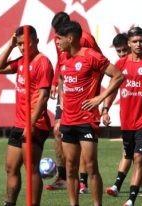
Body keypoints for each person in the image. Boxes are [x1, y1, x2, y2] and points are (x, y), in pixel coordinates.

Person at [55, 20, 124, 206]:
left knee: (91, 166)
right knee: (70, 168)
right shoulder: (63, 58)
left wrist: (99, 98)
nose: (57, 42)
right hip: (68, 120)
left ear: (70, 38)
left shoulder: (91, 56)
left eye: (59, 38)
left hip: (86, 120)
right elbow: (61, 77)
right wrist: (62, 98)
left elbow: (118, 75)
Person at [103, 26, 142, 206]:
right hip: (127, 122)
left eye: (141, 41)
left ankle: (130, 199)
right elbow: (113, 90)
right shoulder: (121, 65)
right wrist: (105, 109)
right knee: (140, 161)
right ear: (129, 43)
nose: (139, 44)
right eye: (135, 41)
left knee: (139, 158)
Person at [0, 25, 54, 206]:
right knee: (11, 168)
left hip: (36, 123)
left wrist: (31, 124)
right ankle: (9, 203)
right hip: (19, 123)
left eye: (26, 43)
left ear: (36, 41)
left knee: (32, 169)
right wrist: (10, 46)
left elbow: (43, 98)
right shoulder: (20, 61)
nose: (22, 47)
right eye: (19, 44)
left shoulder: (43, 62)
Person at [46, 11, 102, 193]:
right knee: (57, 130)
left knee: (82, 138)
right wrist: (56, 82)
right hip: (67, 91)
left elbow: (100, 63)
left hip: (84, 93)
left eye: (59, 34)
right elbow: (61, 62)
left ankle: (83, 180)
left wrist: (95, 93)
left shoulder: (85, 40)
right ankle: (63, 176)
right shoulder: (60, 40)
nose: (57, 39)